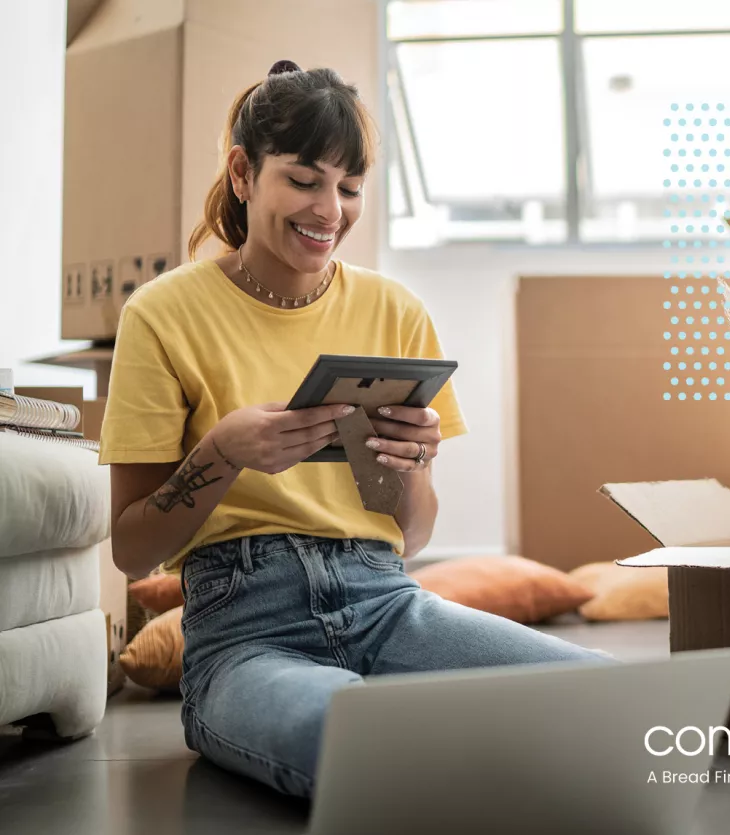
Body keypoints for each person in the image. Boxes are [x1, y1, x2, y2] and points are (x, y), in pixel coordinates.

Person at [100, 61, 610, 799]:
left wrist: (403, 466)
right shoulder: (161, 314)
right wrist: (222, 453)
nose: (330, 210)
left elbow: (415, 535)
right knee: (357, 740)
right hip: (245, 630)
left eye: (349, 187)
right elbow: (131, 547)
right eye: (304, 180)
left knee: (613, 704)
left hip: (385, 600)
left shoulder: (395, 311)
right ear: (243, 174)